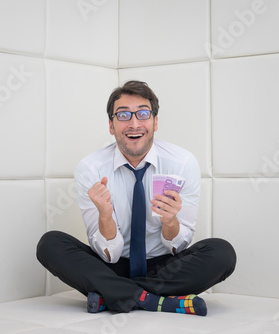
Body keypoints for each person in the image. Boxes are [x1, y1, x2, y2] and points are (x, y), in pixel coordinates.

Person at [37, 80, 236, 315]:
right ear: (111, 125)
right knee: (49, 244)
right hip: (112, 266)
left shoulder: (182, 163)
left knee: (222, 253)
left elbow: (179, 247)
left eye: (143, 114)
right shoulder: (90, 169)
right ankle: (154, 300)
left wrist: (170, 221)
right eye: (123, 115)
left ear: (155, 121)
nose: (134, 124)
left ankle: (112, 295)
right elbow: (106, 254)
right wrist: (105, 216)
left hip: (163, 268)